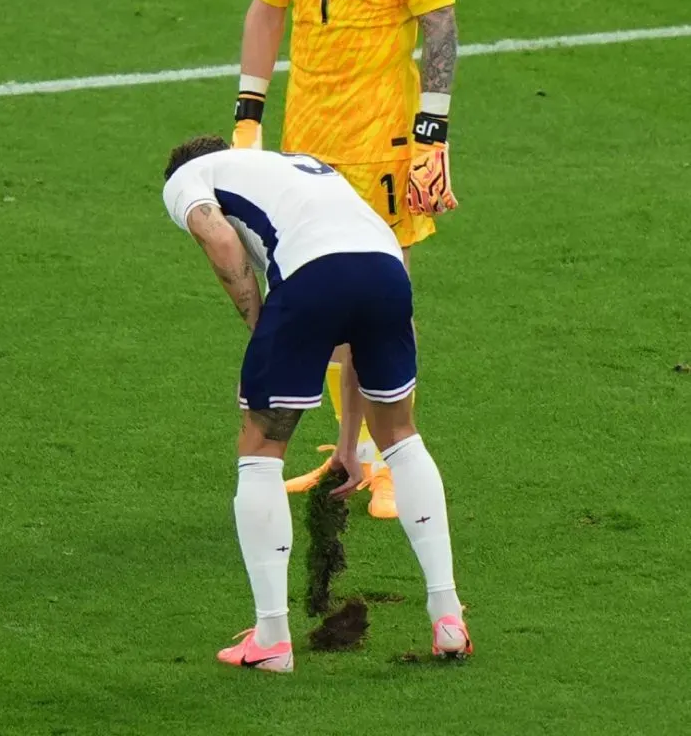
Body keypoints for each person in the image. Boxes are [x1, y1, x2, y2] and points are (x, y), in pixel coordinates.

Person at [231, 0, 459, 520]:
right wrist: (248, 116)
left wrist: (432, 138)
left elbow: (441, 27)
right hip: (308, 142)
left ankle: (396, 458)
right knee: (321, 302)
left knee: (384, 304)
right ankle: (348, 452)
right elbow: (270, 6)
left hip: (384, 141)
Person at [162, 137, 471, 672]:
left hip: (313, 278)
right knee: (401, 436)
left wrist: (259, 324)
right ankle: (448, 617)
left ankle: (272, 639)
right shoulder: (306, 171)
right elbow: (353, 326)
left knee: (259, 449)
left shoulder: (191, 175)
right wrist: (349, 447)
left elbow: (219, 239)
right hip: (386, 272)